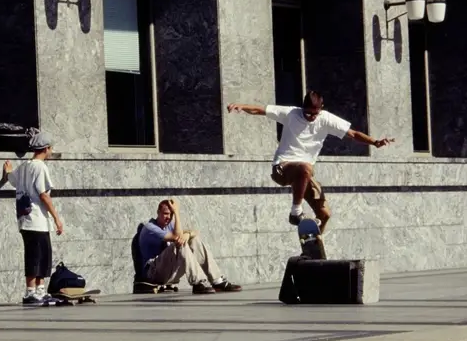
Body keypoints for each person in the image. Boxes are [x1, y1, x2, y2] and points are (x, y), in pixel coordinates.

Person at [227, 90, 395, 229]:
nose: (311, 117)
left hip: (304, 176)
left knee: (324, 214)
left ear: (321, 109)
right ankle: (295, 212)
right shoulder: (291, 114)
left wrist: (375, 142)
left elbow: (353, 134)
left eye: (315, 114)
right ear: (302, 108)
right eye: (307, 113)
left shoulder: (326, 118)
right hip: (282, 168)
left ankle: (314, 249)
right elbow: (261, 110)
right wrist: (241, 106)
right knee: (305, 167)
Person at [0, 130, 64, 305]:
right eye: (51, 149)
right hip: (37, 218)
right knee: (36, 256)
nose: (51, 152)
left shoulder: (24, 167)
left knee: (40, 255)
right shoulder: (40, 167)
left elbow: (11, 179)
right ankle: (30, 292)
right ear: (46, 148)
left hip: (26, 219)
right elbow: (44, 195)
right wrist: (57, 218)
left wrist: (7, 171)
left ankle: (39, 290)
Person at [137, 199, 241, 295]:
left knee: (194, 240)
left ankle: (217, 281)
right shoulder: (150, 228)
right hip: (153, 273)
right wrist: (177, 212)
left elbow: (194, 232)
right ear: (158, 212)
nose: (168, 217)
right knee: (179, 243)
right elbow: (177, 237)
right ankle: (199, 282)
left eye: (171, 214)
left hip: (169, 271)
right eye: (165, 213)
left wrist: (188, 234)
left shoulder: (169, 225)